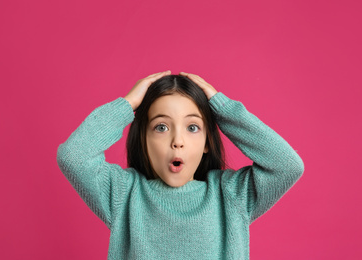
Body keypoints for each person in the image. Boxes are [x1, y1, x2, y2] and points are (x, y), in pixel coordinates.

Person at [56, 70, 304, 259]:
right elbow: (74, 156)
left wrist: (224, 110)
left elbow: (286, 165)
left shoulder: (231, 196)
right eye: (161, 127)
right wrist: (127, 104)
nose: (178, 141)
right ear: (144, 139)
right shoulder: (124, 193)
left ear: (207, 141)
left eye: (192, 127)